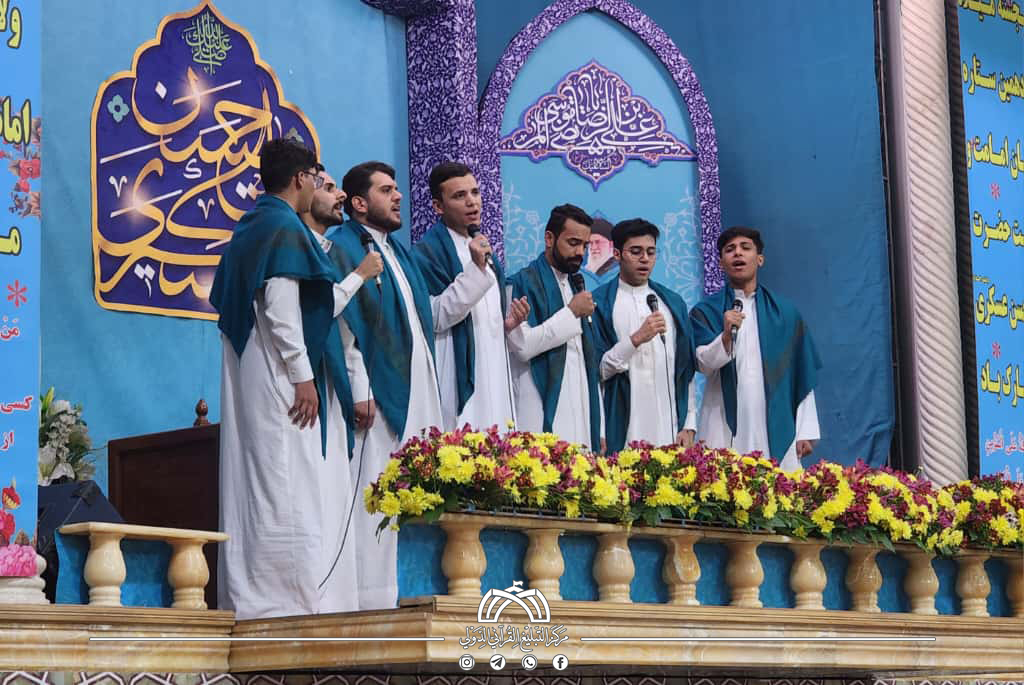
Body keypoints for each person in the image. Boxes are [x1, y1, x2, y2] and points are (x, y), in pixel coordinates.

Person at [211, 139, 381, 619]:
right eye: (316, 178)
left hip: (255, 370)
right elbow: (283, 310)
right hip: (279, 376)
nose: (318, 187)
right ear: (301, 178)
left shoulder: (253, 224)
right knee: (287, 481)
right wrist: (303, 377)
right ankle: (288, 603)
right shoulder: (283, 226)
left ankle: (261, 596)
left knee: (263, 479)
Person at [323, 161, 443, 610]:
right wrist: (359, 388)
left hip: (416, 384)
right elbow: (346, 327)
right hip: (376, 393)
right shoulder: (343, 247)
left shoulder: (398, 253)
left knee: (420, 487)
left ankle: (415, 594)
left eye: (396, 189)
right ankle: (371, 600)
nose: (398, 197)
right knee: (377, 493)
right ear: (359, 203)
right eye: (386, 190)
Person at [689, 226, 821, 471]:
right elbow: (703, 364)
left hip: (775, 421)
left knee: (779, 488)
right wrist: (725, 337)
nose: (738, 253)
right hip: (722, 419)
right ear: (721, 263)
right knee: (722, 484)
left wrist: (806, 429)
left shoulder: (785, 313)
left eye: (745, 248)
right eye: (730, 250)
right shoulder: (705, 311)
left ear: (760, 259)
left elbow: (801, 373)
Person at [413, 162, 530, 430]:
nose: (472, 202)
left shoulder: (484, 249)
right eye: (459, 196)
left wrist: (507, 325)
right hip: (454, 369)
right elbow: (434, 317)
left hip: (495, 366)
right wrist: (476, 269)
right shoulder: (427, 253)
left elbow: (485, 315)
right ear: (438, 206)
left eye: (475, 192)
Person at [593, 218, 697, 453]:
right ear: (617, 254)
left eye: (651, 252)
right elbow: (597, 371)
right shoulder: (600, 304)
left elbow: (685, 369)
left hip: (669, 428)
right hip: (622, 425)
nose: (644, 259)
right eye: (636, 252)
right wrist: (636, 339)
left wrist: (689, 424)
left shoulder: (672, 303)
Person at [506, 204, 603, 449]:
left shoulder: (576, 286)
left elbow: (588, 362)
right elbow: (523, 347)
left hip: (581, 410)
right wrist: (571, 313)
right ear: (549, 238)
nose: (580, 252)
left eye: (585, 245)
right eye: (573, 243)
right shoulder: (520, 283)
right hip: (538, 408)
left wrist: (599, 427)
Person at [581, 215, 619, 290]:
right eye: (590, 243)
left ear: (611, 244)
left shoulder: (615, 266)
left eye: (598, 242)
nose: (593, 247)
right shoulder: (587, 266)